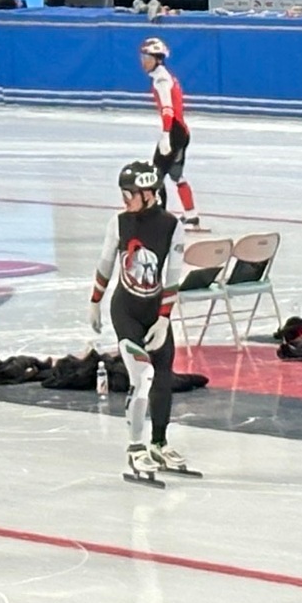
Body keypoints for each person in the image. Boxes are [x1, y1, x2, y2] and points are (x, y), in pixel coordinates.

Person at [90, 161, 193, 483]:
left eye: (129, 194)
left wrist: (163, 320)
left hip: (155, 312)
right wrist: (95, 301)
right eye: (123, 194)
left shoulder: (171, 226)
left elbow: (172, 277)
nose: (124, 201)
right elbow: (106, 263)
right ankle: (136, 447)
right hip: (126, 311)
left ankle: (159, 443)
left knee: (163, 377)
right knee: (142, 375)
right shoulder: (119, 223)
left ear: (149, 193)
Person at [139, 37, 201, 228]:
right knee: (176, 175)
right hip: (181, 131)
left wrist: (166, 135)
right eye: (142, 57)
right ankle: (191, 215)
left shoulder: (162, 79)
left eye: (147, 58)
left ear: (158, 59)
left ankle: (158, 219)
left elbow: (168, 108)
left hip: (174, 132)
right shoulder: (165, 76)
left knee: (156, 175)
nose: (143, 62)